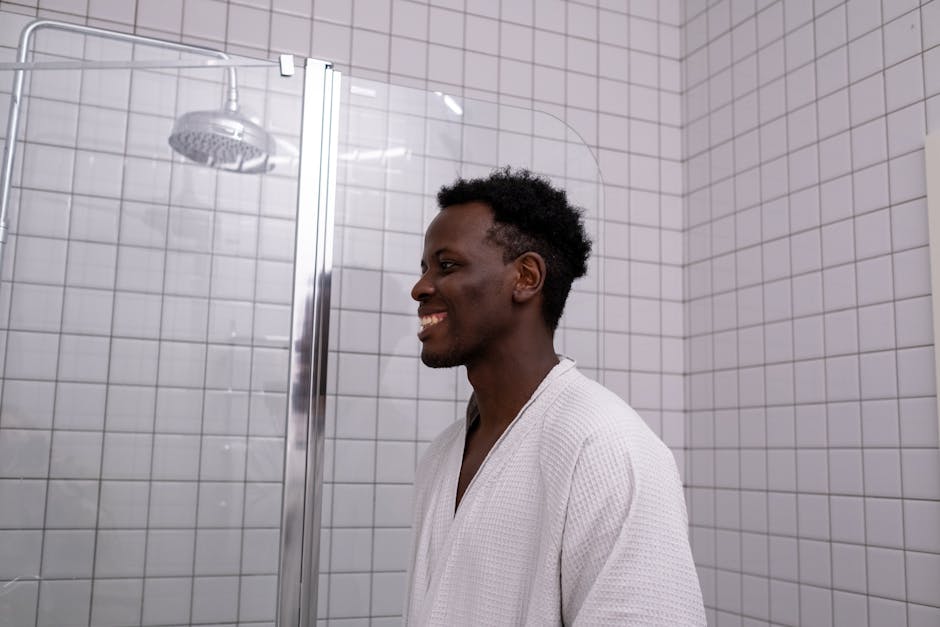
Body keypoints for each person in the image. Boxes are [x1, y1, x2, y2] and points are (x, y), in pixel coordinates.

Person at [404, 167, 705, 626]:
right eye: (424, 268)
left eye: (446, 266)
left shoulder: (606, 448)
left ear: (525, 277)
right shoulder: (442, 455)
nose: (421, 287)